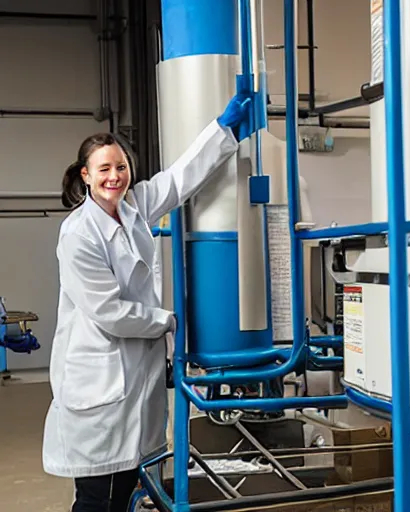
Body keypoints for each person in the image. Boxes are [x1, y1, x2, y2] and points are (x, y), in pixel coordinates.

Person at [41, 92, 254, 512]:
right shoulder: (78, 234)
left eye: (121, 167)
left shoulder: (134, 206)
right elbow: (110, 313)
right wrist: (167, 321)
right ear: (85, 175)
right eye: (104, 169)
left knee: (123, 489)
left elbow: (179, 179)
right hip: (97, 383)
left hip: (135, 379)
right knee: (95, 498)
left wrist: (222, 129)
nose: (115, 177)